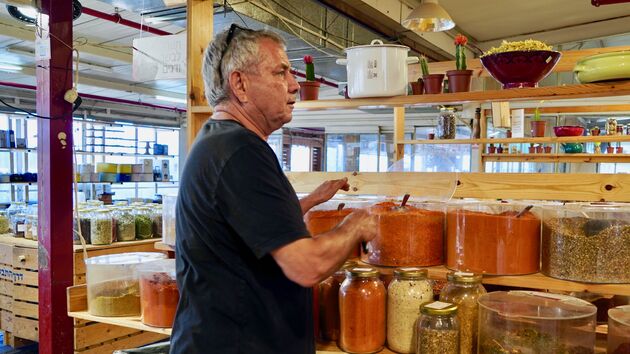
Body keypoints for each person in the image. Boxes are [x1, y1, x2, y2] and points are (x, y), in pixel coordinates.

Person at [170, 24, 377, 354]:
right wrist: (356, 224)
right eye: (280, 72)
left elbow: (249, 230)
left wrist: (309, 201)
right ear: (240, 84)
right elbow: (306, 266)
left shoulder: (216, 141)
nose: (294, 85)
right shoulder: (242, 150)